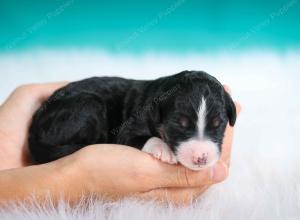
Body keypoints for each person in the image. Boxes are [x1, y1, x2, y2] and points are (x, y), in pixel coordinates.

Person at [0, 82, 241, 205]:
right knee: (91, 111)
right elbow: (127, 134)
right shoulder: (149, 107)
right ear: (158, 114)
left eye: (216, 126)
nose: (201, 153)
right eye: (182, 126)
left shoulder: (164, 103)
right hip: (61, 124)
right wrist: (74, 177)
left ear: (228, 116)